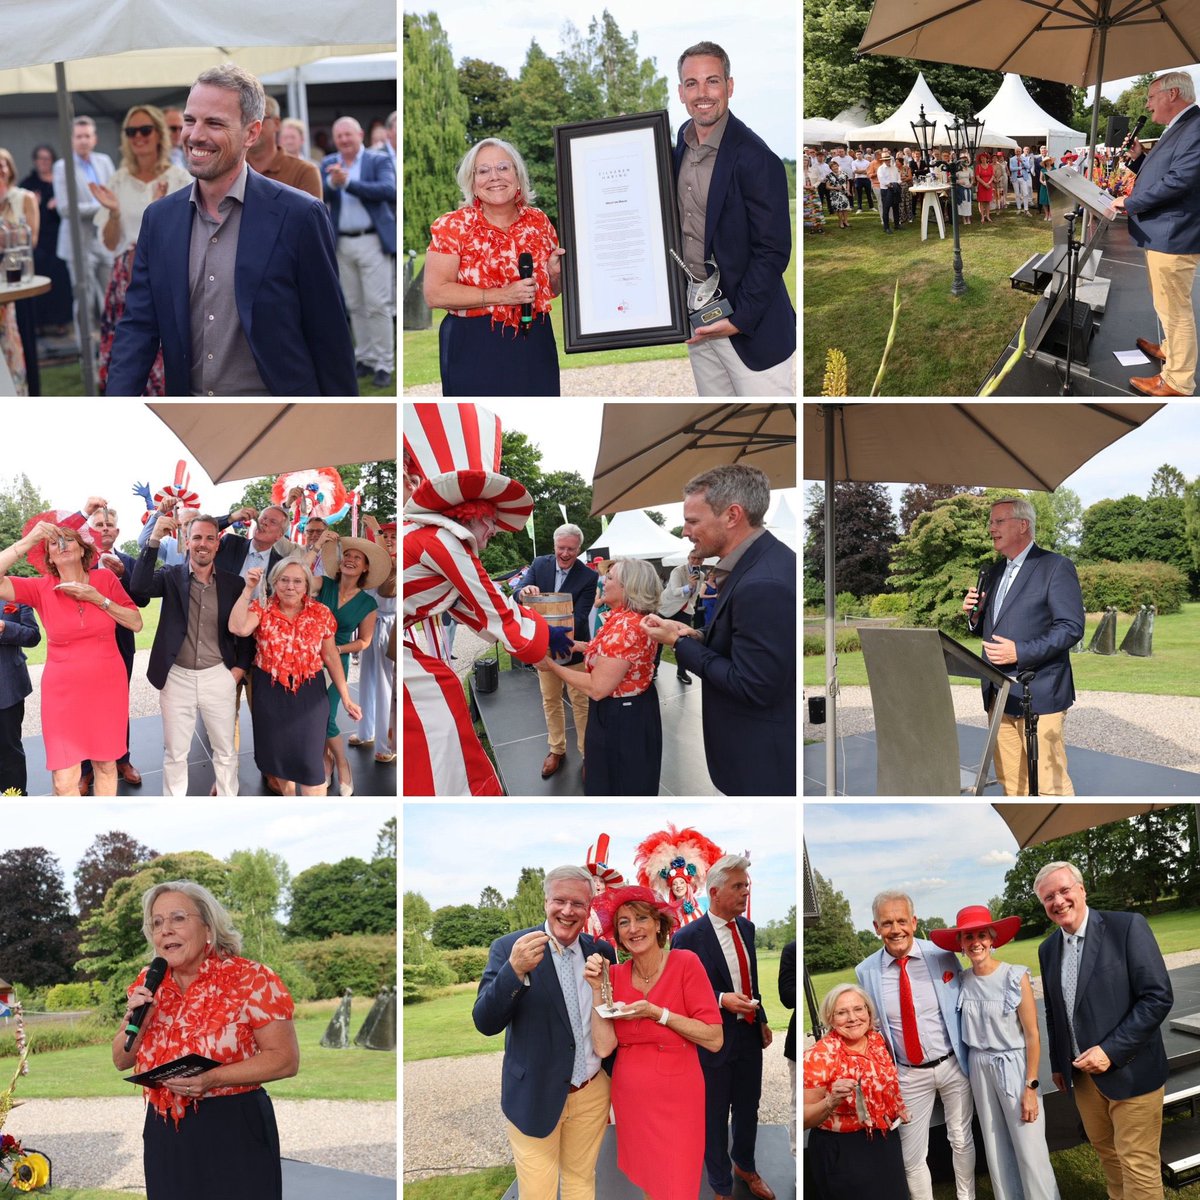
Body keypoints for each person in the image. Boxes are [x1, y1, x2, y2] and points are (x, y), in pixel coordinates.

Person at [106, 63, 356, 396]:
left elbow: (329, 337)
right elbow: (138, 328)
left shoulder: (299, 215)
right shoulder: (159, 220)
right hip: (190, 424)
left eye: (214, 123)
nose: (196, 135)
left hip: (280, 423)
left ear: (251, 133)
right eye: (190, 120)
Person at [113, 879, 298, 1200]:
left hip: (233, 1126)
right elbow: (121, 1059)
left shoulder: (252, 978)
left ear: (209, 927)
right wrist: (137, 1021)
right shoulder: (148, 982)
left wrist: (213, 1078)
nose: (165, 930)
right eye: (157, 923)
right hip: (165, 1130)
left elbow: (285, 1058)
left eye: (178, 918)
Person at [403, 403, 553, 795]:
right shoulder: (444, 541)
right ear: (473, 514)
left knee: (443, 703)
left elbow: (472, 612)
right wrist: (547, 638)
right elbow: (495, 610)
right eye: (492, 522)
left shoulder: (437, 540)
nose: (495, 532)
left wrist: (532, 640)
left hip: (398, 641)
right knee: (441, 706)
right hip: (393, 640)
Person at [640, 464, 795, 795]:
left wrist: (679, 644)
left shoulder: (762, 582)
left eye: (693, 521)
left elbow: (752, 685)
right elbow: (742, 642)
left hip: (759, 763)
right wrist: (695, 635)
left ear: (732, 515)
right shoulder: (759, 563)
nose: (684, 531)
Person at [473, 865, 617, 1200]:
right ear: (546, 902)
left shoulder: (602, 952)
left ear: (588, 908)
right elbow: (485, 1022)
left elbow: (610, 1014)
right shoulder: (510, 947)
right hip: (534, 1094)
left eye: (578, 903)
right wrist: (515, 970)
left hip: (592, 1092)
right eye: (560, 901)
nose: (568, 911)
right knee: (538, 1191)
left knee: (581, 1181)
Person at [1035, 861, 1173, 1200]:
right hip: (1083, 1079)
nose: (1058, 901)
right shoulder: (1047, 949)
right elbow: (1054, 1011)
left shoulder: (1126, 927)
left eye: (1064, 890)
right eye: (1048, 897)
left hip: (1132, 1071)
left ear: (1081, 889)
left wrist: (1110, 1051)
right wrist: (1058, 1063)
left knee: (1138, 1166)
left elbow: (1157, 997)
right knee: (1108, 1157)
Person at [583, 884, 723, 1200]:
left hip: (679, 1098)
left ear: (658, 924)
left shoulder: (685, 963)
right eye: (623, 923)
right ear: (617, 936)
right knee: (653, 1185)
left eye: (641, 918)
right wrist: (596, 989)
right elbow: (604, 1047)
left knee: (678, 1184)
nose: (633, 929)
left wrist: (657, 1013)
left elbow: (714, 1038)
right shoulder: (615, 977)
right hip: (632, 1099)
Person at [673, 42, 795, 395]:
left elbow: (773, 249)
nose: (702, 93)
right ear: (681, 92)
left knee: (771, 423)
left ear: (729, 86)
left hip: (750, 330)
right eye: (692, 84)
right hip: (698, 323)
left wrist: (738, 321)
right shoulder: (681, 144)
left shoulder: (757, 158)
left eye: (712, 81)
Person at [0, 516, 142, 796]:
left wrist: (97, 598)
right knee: (65, 780)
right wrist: (30, 540)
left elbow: (135, 622)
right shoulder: (40, 587)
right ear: (49, 556)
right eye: (54, 542)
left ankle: (105, 827)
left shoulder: (104, 579)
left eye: (68, 540)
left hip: (107, 686)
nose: (62, 545)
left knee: (105, 765)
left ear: (82, 549)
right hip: (62, 693)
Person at [931, 906, 1061, 1200]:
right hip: (978, 1067)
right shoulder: (962, 981)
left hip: (1013, 1064)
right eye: (968, 937)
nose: (975, 942)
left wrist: (1030, 1086)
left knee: (1030, 1145)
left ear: (992, 939)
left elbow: (1032, 1035)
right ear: (961, 945)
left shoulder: (1015, 976)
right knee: (995, 1144)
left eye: (981, 935)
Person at [855, 890, 975, 1200]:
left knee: (961, 1140)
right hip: (907, 1075)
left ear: (914, 921)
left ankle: (967, 1197)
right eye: (886, 923)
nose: (895, 929)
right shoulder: (865, 971)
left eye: (901, 921)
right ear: (875, 927)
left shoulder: (942, 955)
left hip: (952, 1065)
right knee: (912, 1156)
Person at [962, 496, 1084, 795]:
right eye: (991, 522)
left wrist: (1021, 652)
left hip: (1039, 693)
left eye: (998, 521)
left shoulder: (1055, 566)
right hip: (998, 695)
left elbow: (1071, 628)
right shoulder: (991, 572)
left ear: (1023, 525)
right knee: (1012, 786)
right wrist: (972, 616)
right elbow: (987, 626)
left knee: (1049, 786)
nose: (991, 528)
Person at [424, 137, 565, 396]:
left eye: (503, 167)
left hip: (535, 340)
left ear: (518, 175)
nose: (494, 177)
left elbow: (550, 291)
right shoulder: (453, 226)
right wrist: (503, 295)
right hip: (474, 344)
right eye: (483, 171)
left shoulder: (539, 222)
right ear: (472, 182)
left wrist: (555, 275)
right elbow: (435, 293)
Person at [128, 513, 254, 796]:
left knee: (224, 750)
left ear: (218, 544)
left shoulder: (234, 584)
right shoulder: (170, 576)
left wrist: (238, 669)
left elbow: (244, 632)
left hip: (218, 676)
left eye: (210, 538)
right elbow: (138, 589)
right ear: (187, 542)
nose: (203, 544)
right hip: (177, 678)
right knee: (175, 753)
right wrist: (154, 541)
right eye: (197, 537)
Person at [672, 854, 775, 1200]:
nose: (745, 892)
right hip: (711, 1042)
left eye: (746, 885)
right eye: (738, 886)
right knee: (713, 1117)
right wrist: (720, 999)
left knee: (749, 1108)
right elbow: (678, 993)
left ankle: (744, 1166)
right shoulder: (688, 937)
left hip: (748, 1037)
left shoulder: (747, 928)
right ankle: (720, 1185)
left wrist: (760, 1020)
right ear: (714, 892)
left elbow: (752, 981)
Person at [228, 555, 361, 795]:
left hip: (309, 693)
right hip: (269, 693)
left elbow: (330, 657)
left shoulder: (320, 612)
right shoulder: (262, 607)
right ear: (274, 582)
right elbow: (238, 628)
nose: (290, 586)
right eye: (284, 580)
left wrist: (347, 697)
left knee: (312, 770)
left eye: (297, 581)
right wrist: (248, 589)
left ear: (307, 586)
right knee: (280, 765)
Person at [535, 558, 662, 796]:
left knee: (618, 782)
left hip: (621, 717)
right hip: (630, 710)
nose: (603, 580)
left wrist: (550, 664)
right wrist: (577, 645)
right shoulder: (624, 616)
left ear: (628, 587)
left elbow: (597, 687)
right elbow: (608, 651)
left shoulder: (626, 627)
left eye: (611, 577)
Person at [88, 105, 191, 395]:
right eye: (131, 132)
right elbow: (109, 243)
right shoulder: (118, 181)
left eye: (145, 130)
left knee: (166, 352)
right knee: (129, 352)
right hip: (125, 279)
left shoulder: (180, 179)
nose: (138, 137)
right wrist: (115, 213)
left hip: (168, 277)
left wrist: (160, 209)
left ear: (159, 134)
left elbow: (189, 235)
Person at [1110, 70, 1200, 396]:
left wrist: (1131, 201)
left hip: (1174, 232)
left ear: (1172, 94)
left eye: (1151, 97)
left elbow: (1181, 181)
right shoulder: (1180, 127)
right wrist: (1139, 159)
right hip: (1164, 231)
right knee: (1167, 307)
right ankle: (1171, 350)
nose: (1147, 106)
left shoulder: (1196, 126)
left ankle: (1178, 381)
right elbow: (1165, 171)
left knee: (1175, 311)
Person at [803, 984, 910, 1200]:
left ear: (869, 1013)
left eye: (858, 1009)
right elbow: (804, 1118)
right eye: (842, 1013)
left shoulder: (877, 1041)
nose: (853, 1018)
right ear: (830, 1018)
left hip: (884, 1139)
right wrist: (831, 1101)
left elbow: (885, 1082)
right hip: (843, 1151)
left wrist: (897, 1106)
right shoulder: (819, 1055)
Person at [514, 525, 600, 780]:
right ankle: (557, 749)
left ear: (579, 549)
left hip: (572, 649)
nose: (565, 553)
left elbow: (582, 615)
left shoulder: (588, 575)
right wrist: (523, 592)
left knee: (581, 703)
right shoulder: (540, 564)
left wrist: (561, 636)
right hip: (543, 650)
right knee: (550, 700)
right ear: (554, 546)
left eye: (571, 549)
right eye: (561, 548)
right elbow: (517, 592)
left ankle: (587, 755)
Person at [322, 116, 396, 388]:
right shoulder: (330, 163)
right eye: (339, 135)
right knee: (355, 305)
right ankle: (363, 357)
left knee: (377, 304)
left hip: (372, 240)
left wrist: (348, 184)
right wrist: (333, 184)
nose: (343, 140)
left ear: (360, 134)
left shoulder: (377, 160)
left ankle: (384, 363)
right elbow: (321, 195)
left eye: (348, 135)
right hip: (342, 243)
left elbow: (389, 190)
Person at [80, 503, 147, 792]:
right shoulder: (79, 563)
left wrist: (123, 576)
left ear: (117, 532)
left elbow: (141, 600)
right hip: (86, 645)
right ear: (89, 530)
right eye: (98, 525)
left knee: (118, 703)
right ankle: (86, 767)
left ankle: (122, 758)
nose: (104, 529)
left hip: (121, 643)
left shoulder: (129, 561)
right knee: (86, 705)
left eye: (109, 525)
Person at [317, 537, 387, 796]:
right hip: (309, 660)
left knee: (327, 716)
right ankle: (325, 761)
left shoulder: (368, 604)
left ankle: (342, 764)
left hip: (337, 662)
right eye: (348, 555)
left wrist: (338, 649)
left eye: (358, 558)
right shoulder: (322, 585)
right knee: (314, 715)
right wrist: (316, 546)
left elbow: (365, 641)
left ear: (365, 568)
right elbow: (297, 575)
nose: (351, 559)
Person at [53, 116, 116, 343]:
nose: (83, 141)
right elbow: (65, 208)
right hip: (78, 244)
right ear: (71, 140)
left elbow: (115, 196)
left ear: (95, 138)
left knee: (112, 298)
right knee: (85, 301)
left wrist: (110, 206)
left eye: (87, 136)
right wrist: (103, 206)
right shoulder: (62, 167)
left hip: (105, 239)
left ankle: (113, 352)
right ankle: (86, 355)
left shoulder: (105, 161)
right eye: (79, 136)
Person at [352, 522, 397, 762]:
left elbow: (388, 589)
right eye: (385, 535)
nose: (388, 539)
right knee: (367, 679)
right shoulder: (374, 565)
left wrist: (377, 531)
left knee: (385, 686)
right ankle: (366, 730)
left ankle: (387, 743)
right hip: (371, 623)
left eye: (393, 536)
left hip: (391, 627)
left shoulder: (398, 564)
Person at [20, 144, 74, 333]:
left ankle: (61, 322)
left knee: (60, 283)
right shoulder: (28, 184)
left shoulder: (60, 182)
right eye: (40, 159)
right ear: (35, 161)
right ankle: (41, 324)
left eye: (47, 159)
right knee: (41, 281)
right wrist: (36, 204)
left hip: (59, 240)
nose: (43, 162)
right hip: (40, 242)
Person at [0, 147, 39, 397]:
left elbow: (30, 239)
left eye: (2, 164)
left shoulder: (23, 197)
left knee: (22, 342)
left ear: (10, 167)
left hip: (19, 277)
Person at [245, 95, 322, 200]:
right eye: (244, 120)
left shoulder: (304, 172)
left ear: (276, 123)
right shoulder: (230, 168)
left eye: (259, 119)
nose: (251, 126)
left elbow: (311, 215)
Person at [0, 595, 40, 796]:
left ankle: (15, 799)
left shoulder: (15, 595)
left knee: (9, 749)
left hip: (7, 687)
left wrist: (4, 628)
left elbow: (33, 636)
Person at [659, 549, 706, 682]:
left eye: (699, 559)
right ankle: (654, 669)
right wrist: (689, 586)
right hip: (668, 607)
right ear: (688, 558)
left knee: (683, 642)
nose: (695, 561)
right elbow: (674, 591)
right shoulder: (678, 571)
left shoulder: (701, 575)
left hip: (685, 609)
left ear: (703, 560)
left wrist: (691, 605)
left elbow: (695, 595)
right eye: (693, 558)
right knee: (659, 639)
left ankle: (681, 672)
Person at [779, 939, 797, 1157]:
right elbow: (786, 996)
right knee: (797, 1102)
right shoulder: (792, 949)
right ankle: (795, 1159)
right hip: (795, 1044)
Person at [878, 150, 902, 233]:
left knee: (896, 207)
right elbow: (882, 181)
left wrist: (897, 183)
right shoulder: (880, 169)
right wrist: (891, 185)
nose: (888, 161)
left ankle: (896, 225)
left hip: (895, 188)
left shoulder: (894, 167)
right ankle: (886, 227)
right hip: (886, 190)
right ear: (883, 160)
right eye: (886, 160)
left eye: (889, 159)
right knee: (886, 209)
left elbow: (898, 177)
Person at [826, 160, 852, 229]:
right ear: (831, 168)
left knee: (845, 208)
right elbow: (827, 186)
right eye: (833, 167)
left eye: (836, 166)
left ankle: (846, 221)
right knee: (839, 209)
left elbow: (848, 182)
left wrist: (848, 190)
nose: (835, 168)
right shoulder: (829, 176)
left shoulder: (844, 173)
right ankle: (840, 222)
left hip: (844, 193)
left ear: (838, 166)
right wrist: (835, 187)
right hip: (835, 194)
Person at [1010, 146, 1034, 214]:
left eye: (1019, 151)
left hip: (1023, 178)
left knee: (1025, 193)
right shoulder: (1012, 159)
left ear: (1021, 152)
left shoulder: (1025, 158)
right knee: (1017, 194)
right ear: (1015, 152)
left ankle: (1026, 209)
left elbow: (1028, 167)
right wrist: (1020, 167)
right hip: (1015, 178)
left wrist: (1022, 162)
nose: (1018, 152)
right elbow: (1011, 169)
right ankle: (1019, 208)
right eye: (1016, 151)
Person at [975, 153, 995, 224]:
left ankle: (988, 216)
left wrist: (989, 183)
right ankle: (982, 217)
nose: (983, 159)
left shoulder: (990, 166)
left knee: (988, 201)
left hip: (989, 186)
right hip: (981, 186)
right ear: (980, 159)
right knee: (981, 202)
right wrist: (984, 184)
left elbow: (992, 175)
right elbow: (977, 177)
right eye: (982, 158)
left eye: (984, 158)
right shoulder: (978, 167)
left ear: (987, 158)